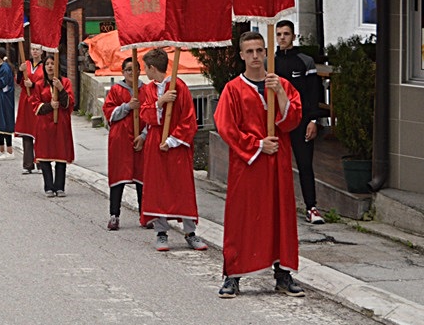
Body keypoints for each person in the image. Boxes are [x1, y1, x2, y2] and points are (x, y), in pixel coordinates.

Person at [215, 31, 304, 299]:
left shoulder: (282, 85)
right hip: (248, 164)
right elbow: (226, 127)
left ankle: (283, 274)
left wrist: (279, 94)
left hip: (277, 160)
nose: (255, 56)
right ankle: (233, 275)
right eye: (249, 52)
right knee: (242, 217)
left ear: (266, 53)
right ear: (241, 55)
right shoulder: (233, 89)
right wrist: (256, 145)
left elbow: (292, 121)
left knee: (280, 215)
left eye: (259, 51)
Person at [138, 48, 207, 252]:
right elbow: (144, 114)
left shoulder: (179, 86)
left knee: (181, 187)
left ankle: (190, 232)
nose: (145, 72)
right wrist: (160, 103)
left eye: (145, 68)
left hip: (176, 145)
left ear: (152, 67)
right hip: (155, 144)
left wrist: (172, 140)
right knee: (157, 188)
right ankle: (161, 232)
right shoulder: (148, 90)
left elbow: (189, 119)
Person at [275, 20, 326, 225]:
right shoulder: (269, 61)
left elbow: (314, 93)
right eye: (279, 34)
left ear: (293, 37)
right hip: (277, 123)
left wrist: (313, 120)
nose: (282, 38)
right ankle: (277, 208)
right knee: (276, 166)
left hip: (302, 121)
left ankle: (311, 207)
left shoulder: (305, 61)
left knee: (305, 164)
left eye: (286, 34)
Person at [102, 57, 146, 230]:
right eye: (128, 70)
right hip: (121, 140)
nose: (132, 73)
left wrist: (144, 135)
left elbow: (151, 115)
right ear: (123, 72)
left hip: (140, 139)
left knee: (142, 178)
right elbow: (109, 114)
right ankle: (114, 215)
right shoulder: (116, 90)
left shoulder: (147, 90)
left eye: (135, 69)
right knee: (118, 177)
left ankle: (145, 214)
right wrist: (127, 106)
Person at [30, 55, 74, 197]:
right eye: (47, 63)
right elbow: (34, 104)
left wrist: (61, 89)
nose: (49, 66)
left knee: (60, 156)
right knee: (45, 156)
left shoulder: (65, 82)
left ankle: (59, 186)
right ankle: (48, 186)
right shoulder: (38, 84)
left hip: (60, 123)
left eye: (52, 63)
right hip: (44, 125)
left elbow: (69, 103)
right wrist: (49, 106)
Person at [16, 46, 43, 175]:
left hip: (38, 100)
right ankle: (27, 164)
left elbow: (46, 83)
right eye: (33, 49)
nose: (35, 51)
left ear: (42, 52)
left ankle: (40, 163)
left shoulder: (45, 66)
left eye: (37, 49)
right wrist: (20, 72)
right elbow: (18, 81)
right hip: (26, 101)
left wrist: (33, 85)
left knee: (39, 133)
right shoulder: (25, 64)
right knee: (26, 133)